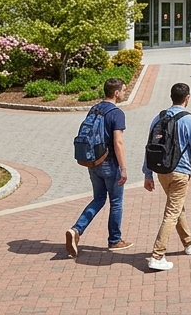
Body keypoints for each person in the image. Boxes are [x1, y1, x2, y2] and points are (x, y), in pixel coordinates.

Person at [144, 82, 191, 271]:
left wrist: (147, 173)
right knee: (171, 213)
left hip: (161, 172)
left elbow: (149, 146)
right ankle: (157, 255)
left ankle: (188, 242)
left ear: (171, 97)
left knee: (176, 207)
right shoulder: (189, 120)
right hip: (180, 172)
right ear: (187, 98)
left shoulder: (158, 118)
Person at [64, 78, 130, 258]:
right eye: (123, 90)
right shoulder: (116, 113)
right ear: (116, 93)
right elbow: (118, 142)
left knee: (99, 198)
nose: (124, 93)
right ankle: (115, 240)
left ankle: (76, 230)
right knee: (116, 202)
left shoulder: (95, 109)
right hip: (110, 164)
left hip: (93, 162)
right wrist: (123, 168)